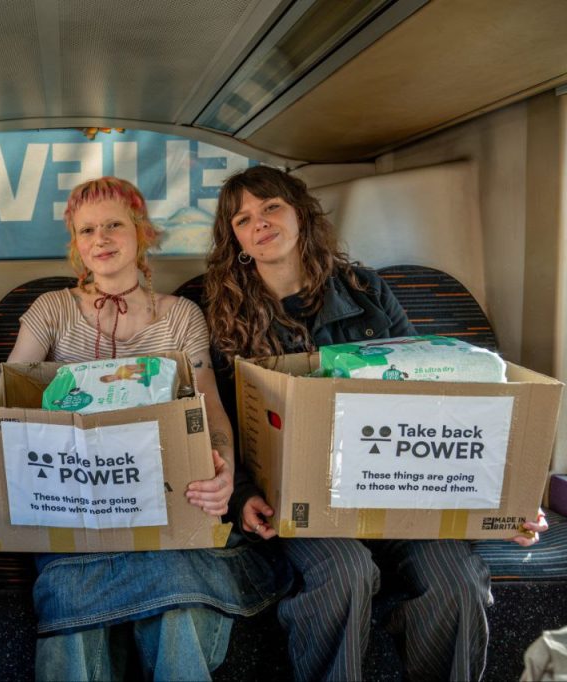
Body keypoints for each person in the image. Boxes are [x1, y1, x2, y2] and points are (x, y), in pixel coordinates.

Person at [204, 164, 548, 681]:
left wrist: (503, 498)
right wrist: (243, 495)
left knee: (455, 580)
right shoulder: (222, 313)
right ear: (237, 240)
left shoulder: (365, 289)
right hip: (297, 500)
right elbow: (225, 423)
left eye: (271, 206)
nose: (260, 223)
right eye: (243, 219)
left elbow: (432, 391)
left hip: (394, 484)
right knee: (345, 573)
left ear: (300, 213)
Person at [0, 176, 291, 681]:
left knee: (178, 608)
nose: (101, 239)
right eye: (86, 230)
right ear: (76, 244)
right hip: (72, 508)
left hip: (164, 501)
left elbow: (210, 408)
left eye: (114, 225)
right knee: (74, 612)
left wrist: (223, 470)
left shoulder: (181, 316)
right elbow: (5, 402)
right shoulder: (51, 309)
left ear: (141, 231)